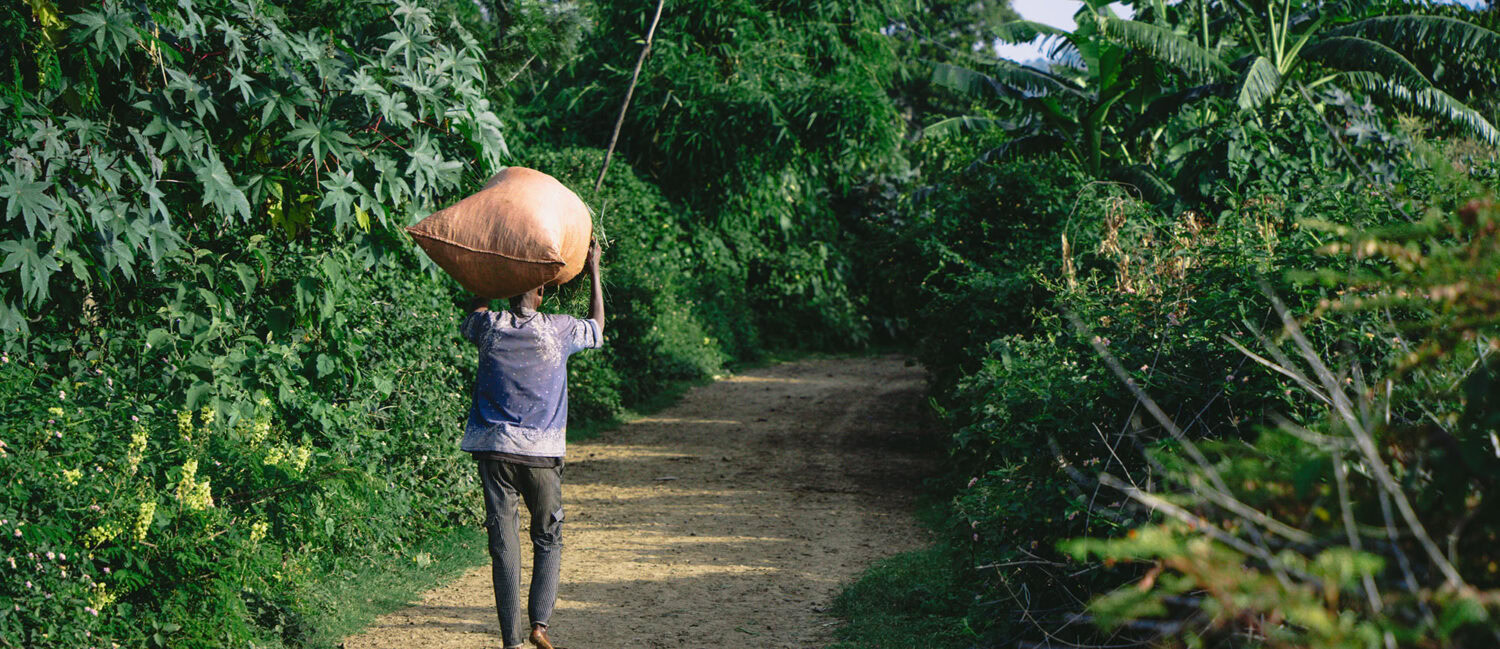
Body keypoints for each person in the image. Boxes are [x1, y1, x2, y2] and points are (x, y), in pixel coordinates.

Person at [460, 239, 604, 649]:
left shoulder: (490, 328)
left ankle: (512, 641)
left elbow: (475, 309)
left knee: (503, 544)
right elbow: (597, 328)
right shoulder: (558, 330)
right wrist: (593, 269)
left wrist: (487, 267)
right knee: (547, 537)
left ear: (507, 291)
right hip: (542, 455)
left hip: (494, 450)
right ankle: (540, 624)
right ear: (541, 292)